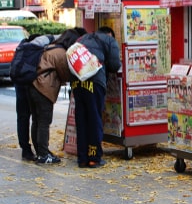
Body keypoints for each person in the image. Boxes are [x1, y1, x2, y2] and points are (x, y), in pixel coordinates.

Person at [27, 29, 85, 164]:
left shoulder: (50, 47)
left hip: (33, 85)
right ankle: (43, 155)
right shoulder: (61, 53)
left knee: (36, 120)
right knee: (44, 122)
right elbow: (66, 74)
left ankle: (40, 151)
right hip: (44, 88)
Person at [71, 26, 121, 168]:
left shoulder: (81, 39)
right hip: (95, 82)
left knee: (81, 120)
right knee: (94, 119)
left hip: (77, 82)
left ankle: (82, 158)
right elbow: (114, 65)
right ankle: (94, 158)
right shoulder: (109, 40)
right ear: (109, 34)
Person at [15, 33, 53, 161]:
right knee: (38, 118)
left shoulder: (21, 47)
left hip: (19, 83)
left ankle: (25, 149)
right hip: (31, 84)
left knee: (23, 117)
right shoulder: (37, 48)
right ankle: (41, 151)